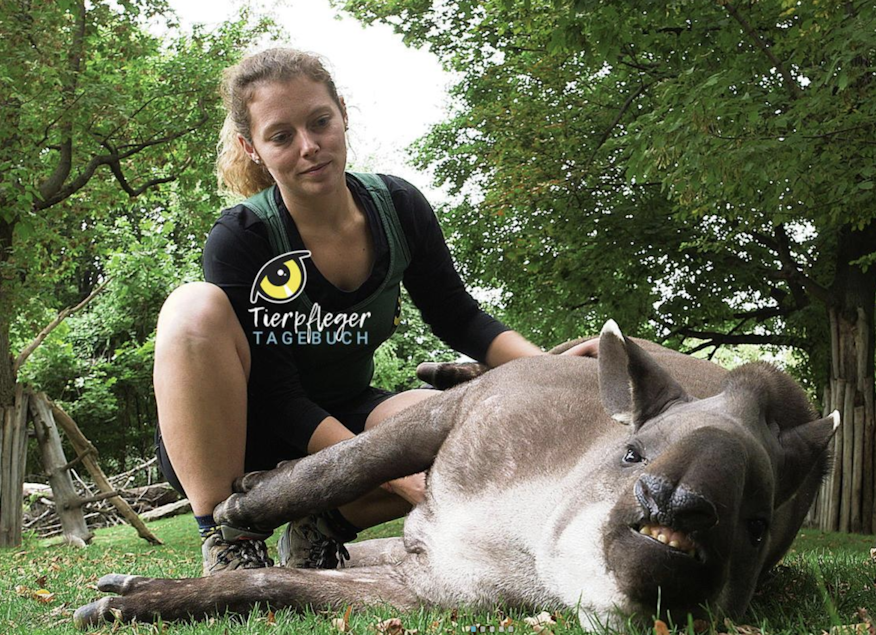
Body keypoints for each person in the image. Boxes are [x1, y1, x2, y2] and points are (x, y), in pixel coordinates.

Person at [153, 47, 586, 576]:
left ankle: (321, 527)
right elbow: (276, 394)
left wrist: (553, 371)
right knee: (191, 306)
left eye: (320, 122)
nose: (309, 147)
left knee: (462, 435)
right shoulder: (243, 237)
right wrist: (384, 469)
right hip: (246, 431)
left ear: (343, 114)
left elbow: (458, 317)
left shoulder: (399, 207)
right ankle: (227, 537)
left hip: (348, 410)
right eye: (281, 135)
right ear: (253, 148)